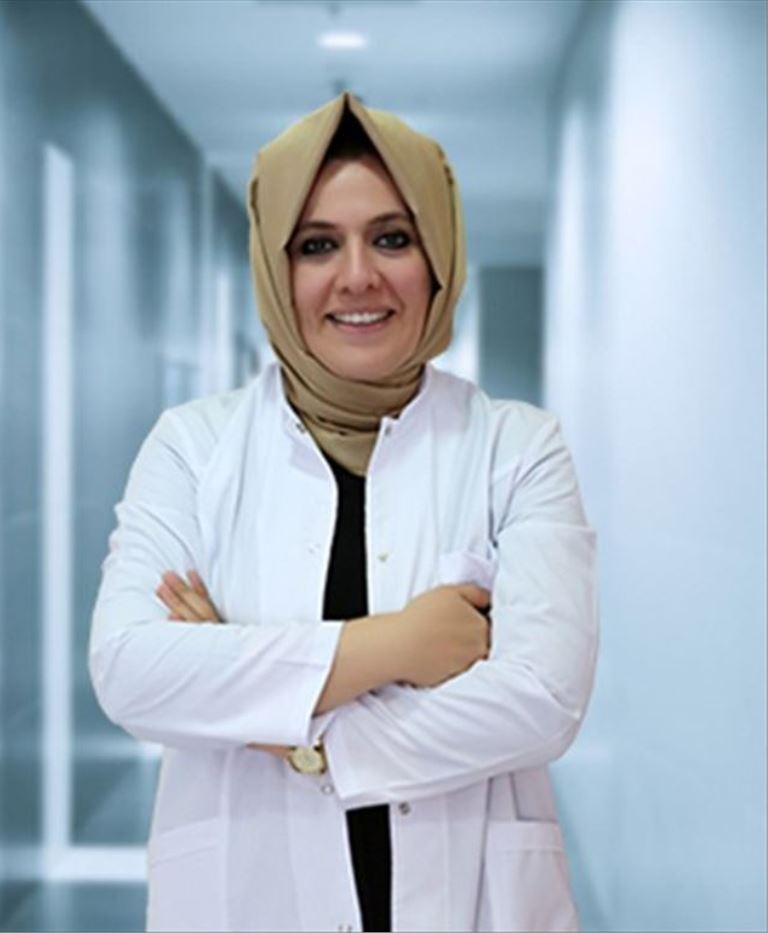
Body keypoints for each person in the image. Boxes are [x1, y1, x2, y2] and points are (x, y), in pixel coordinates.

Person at [88, 91, 599, 933]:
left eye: (392, 238)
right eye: (317, 244)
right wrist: (393, 645)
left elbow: (540, 699)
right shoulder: (194, 447)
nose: (357, 276)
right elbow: (131, 667)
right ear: (275, 268)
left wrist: (293, 733)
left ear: (439, 256)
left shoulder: (516, 447)